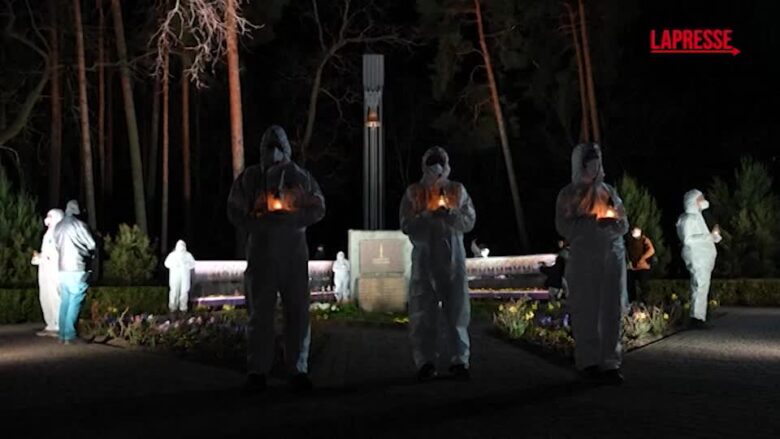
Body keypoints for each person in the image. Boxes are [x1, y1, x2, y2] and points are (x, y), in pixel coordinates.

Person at [227, 125, 326, 394]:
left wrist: (295, 218)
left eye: (278, 144)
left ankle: (298, 369)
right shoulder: (250, 178)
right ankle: (257, 370)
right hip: (261, 253)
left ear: (286, 147)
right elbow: (234, 210)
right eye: (269, 144)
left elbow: (318, 207)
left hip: (294, 254)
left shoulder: (300, 177)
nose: (273, 150)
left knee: (297, 311)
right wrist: (257, 221)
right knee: (260, 313)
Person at [400, 146, 476, 382]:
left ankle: (459, 360)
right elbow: (406, 224)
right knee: (423, 310)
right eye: (432, 162)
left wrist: (450, 214)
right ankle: (425, 361)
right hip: (424, 257)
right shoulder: (414, 192)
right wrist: (425, 216)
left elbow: (469, 221)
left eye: (439, 162)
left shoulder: (457, 190)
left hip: (453, 257)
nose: (436, 167)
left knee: (457, 309)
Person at [555, 143, 628, 385]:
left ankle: (610, 362)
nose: (594, 165)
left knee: (611, 309)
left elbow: (623, 222)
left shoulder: (608, 191)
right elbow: (564, 226)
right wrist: (589, 224)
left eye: (596, 160)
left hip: (611, 257)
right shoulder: (569, 194)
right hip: (585, 259)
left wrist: (613, 225)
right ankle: (588, 361)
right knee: (586, 308)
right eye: (589, 161)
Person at [676, 189, 721, 329]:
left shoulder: (697, 217)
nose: (703, 200)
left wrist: (714, 237)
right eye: (701, 198)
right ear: (693, 200)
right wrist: (709, 236)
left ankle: (699, 316)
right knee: (699, 286)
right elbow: (688, 239)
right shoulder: (688, 218)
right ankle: (696, 318)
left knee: (702, 286)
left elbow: (702, 237)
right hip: (697, 257)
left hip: (703, 258)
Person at [54, 200, 96, 345]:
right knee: (75, 300)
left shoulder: (58, 226)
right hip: (77, 267)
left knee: (65, 301)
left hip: (62, 268)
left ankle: (62, 334)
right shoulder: (79, 225)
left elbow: (56, 245)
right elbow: (92, 244)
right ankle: (70, 335)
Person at [31, 208, 64, 337]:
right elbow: (47, 254)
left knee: (55, 297)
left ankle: (59, 325)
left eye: (50, 216)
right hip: (45, 271)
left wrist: (43, 258)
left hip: (53, 271)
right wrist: (39, 257)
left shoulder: (58, 234)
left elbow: (56, 255)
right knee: (45, 297)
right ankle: (50, 324)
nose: (47, 219)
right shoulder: (48, 234)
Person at [164, 240, 196, 313]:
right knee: (174, 291)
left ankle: (183, 308)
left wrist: (186, 265)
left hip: (184, 276)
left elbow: (193, 264)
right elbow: (166, 263)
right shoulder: (172, 255)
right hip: (175, 275)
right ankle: (173, 307)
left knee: (184, 292)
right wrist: (174, 265)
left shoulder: (188, 255)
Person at [626, 227, 655, 303]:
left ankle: (645, 303)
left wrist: (642, 258)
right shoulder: (629, 240)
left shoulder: (644, 239)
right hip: (631, 267)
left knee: (643, 285)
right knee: (630, 286)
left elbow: (651, 250)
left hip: (643, 267)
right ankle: (632, 303)